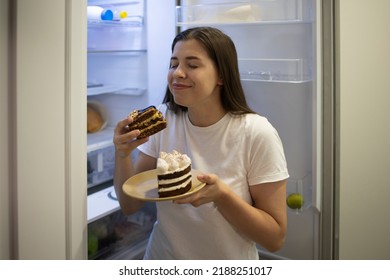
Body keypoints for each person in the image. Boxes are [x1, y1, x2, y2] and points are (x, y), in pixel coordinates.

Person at [113, 27, 289, 259]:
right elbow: (130, 206)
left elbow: (274, 238)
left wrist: (222, 196)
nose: (177, 73)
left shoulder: (256, 132)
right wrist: (122, 154)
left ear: (221, 75)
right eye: (174, 63)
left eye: (192, 65)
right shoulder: (165, 120)